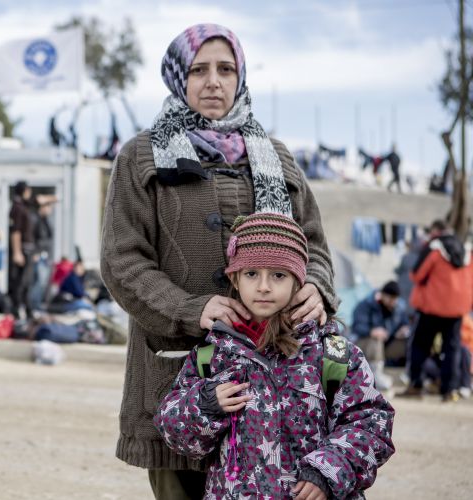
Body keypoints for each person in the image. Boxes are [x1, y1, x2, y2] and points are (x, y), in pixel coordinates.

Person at [100, 23, 338, 499]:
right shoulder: (141, 157)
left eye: (226, 69)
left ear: (241, 77)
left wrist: (316, 285)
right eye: (199, 69)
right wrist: (191, 309)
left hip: (275, 379)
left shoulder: (277, 157)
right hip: (175, 371)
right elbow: (122, 260)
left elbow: (312, 246)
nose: (214, 82)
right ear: (177, 77)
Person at [154, 213, 395, 499]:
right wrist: (206, 405)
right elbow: (174, 431)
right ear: (235, 277)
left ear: (299, 281)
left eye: (278, 275)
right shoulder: (212, 355)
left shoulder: (333, 355)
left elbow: (371, 422)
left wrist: (328, 469)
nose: (264, 286)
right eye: (252, 274)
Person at [400, 219, 473, 401]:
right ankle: (450, 390)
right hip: (457, 310)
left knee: (419, 346)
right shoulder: (467, 250)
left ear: (435, 231)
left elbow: (416, 274)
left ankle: (416, 385)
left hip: (432, 307)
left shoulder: (435, 248)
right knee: (453, 350)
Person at [350, 280, 410, 390]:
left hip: (386, 345)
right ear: (382, 294)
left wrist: (404, 329)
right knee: (376, 339)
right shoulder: (365, 305)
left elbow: (405, 323)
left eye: (395, 299)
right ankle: (375, 375)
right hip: (365, 345)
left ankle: (405, 373)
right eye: (390, 298)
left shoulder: (398, 309)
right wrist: (372, 331)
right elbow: (357, 327)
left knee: (407, 341)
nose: (393, 302)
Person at [8, 180, 35, 319]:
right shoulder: (17, 208)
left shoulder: (23, 206)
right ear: (24, 191)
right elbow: (15, 232)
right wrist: (17, 252)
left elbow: (38, 200)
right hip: (23, 249)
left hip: (27, 249)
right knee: (20, 282)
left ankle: (27, 310)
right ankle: (16, 310)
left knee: (26, 282)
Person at [30, 201, 54, 311]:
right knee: (38, 282)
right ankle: (34, 306)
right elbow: (33, 237)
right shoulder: (35, 220)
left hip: (45, 256)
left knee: (43, 282)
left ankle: (38, 305)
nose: (50, 210)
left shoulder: (46, 221)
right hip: (39, 255)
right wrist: (35, 253)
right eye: (48, 207)